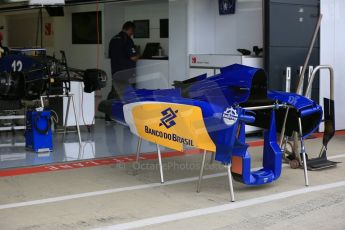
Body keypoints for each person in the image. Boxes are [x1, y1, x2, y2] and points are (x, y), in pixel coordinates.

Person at [106, 21, 139, 122]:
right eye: (132, 31)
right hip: (127, 73)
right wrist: (139, 54)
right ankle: (128, 119)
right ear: (130, 29)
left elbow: (111, 56)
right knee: (130, 96)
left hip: (116, 72)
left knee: (114, 94)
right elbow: (133, 57)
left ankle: (108, 117)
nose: (132, 33)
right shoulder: (127, 40)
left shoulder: (113, 39)